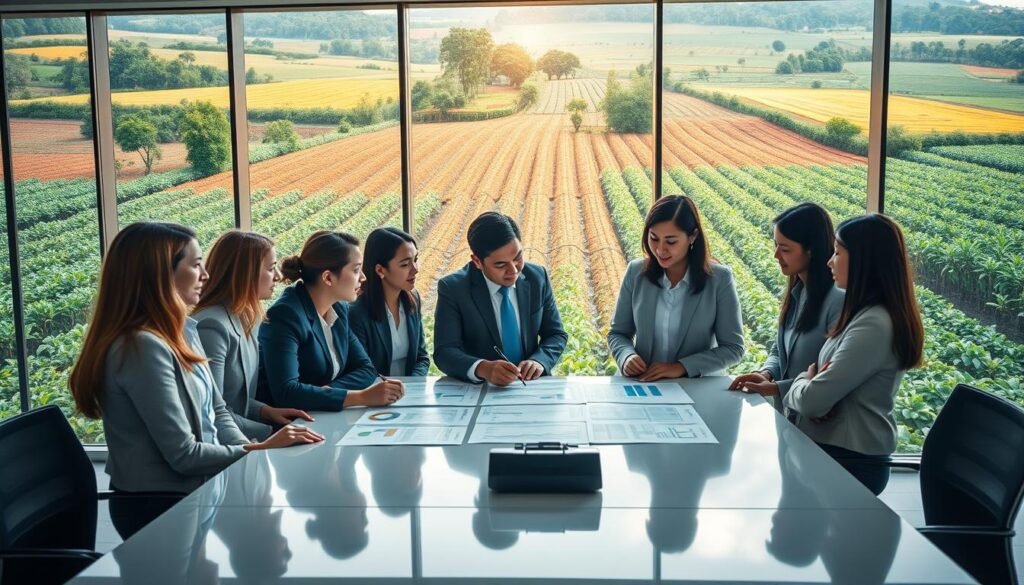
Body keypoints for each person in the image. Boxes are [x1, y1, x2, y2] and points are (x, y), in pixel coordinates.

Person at [69, 222, 323, 539]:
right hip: (161, 507)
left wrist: (253, 448)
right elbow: (184, 454)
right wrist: (257, 450)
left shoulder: (183, 331)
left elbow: (217, 408)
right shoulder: (141, 348)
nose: (205, 275)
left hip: (196, 494)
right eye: (195, 265)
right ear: (160, 274)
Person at [782, 214, 924, 495]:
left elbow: (812, 401)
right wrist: (812, 387)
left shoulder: (874, 324)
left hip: (849, 462)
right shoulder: (863, 314)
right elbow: (819, 397)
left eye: (837, 252)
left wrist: (801, 381)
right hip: (833, 451)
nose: (829, 261)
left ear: (863, 259)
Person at [258, 230, 403, 410]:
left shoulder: (339, 309)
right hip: (291, 426)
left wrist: (327, 393)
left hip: (321, 415)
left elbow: (366, 368)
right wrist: (360, 397)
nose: (363, 278)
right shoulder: (285, 315)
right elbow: (286, 393)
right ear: (328, 277)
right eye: (356, 270)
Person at [608, 195, 744, 380]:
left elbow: (733, 348)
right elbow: (618, 333)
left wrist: (681, 367)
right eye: (654, 238)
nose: (660, 250)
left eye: (671, 242)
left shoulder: (719, 279)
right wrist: (627, 356)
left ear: (693, 236)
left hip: (697, 385)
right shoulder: (636, 272)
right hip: (644, 382)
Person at [193, 230, 312, 441]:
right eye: (270, 268)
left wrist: (266, 412)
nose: (277, 276)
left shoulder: (247, 317)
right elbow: (213, 411)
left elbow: (237, 399)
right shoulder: (211, 326)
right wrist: (270, 433)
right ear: (243, 273)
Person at [729, 203, 845, 408]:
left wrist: (777, 388)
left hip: (816, 422)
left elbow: (835, 377)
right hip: (790, 416)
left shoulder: (837, 301)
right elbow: (781, 349)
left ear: (811, 250)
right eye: (776, 245)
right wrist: (766, 373)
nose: (776, 255)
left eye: (784, 249)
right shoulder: (798, 292)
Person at [433, 211, 568, 386]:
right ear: (477, 262)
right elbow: (445, 351)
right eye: (501, 265)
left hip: (531, 387)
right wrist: (483, 368)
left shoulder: (537, 277)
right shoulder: (454, 288)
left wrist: (539, 361)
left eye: (518, 257)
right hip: (481, 391)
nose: (513, 270)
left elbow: (556, 334)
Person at [349, 227, 430, 377]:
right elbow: (361, 370)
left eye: (415, 260)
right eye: (405, 264)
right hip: (375, 394)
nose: (415, 269)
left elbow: (421, 358)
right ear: (380, 270)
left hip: (410, 394)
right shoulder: (357, 312)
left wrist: (411, 386)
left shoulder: (413, 299)